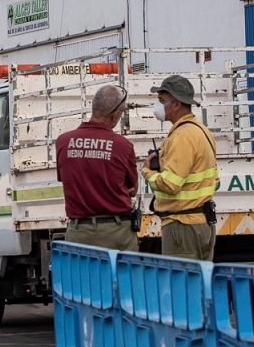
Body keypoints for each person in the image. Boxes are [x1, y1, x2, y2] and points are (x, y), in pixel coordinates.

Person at [143, 74, 218, 261]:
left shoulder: (182, 136)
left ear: (176, 103)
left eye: (162, 101)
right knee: (198, 285)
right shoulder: (200, 130)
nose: (158, 106)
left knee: (181, 287)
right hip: (199, 222)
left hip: (182, 226)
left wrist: (147, 172)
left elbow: (171, 183)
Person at [56, 84, 139, 251]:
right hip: (116, 233)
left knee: (82, 278)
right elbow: (132, 188)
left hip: (78, 232)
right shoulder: (123, 146)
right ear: (115, 114)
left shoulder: (63, 142)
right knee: (121, 276)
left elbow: (65, 179)